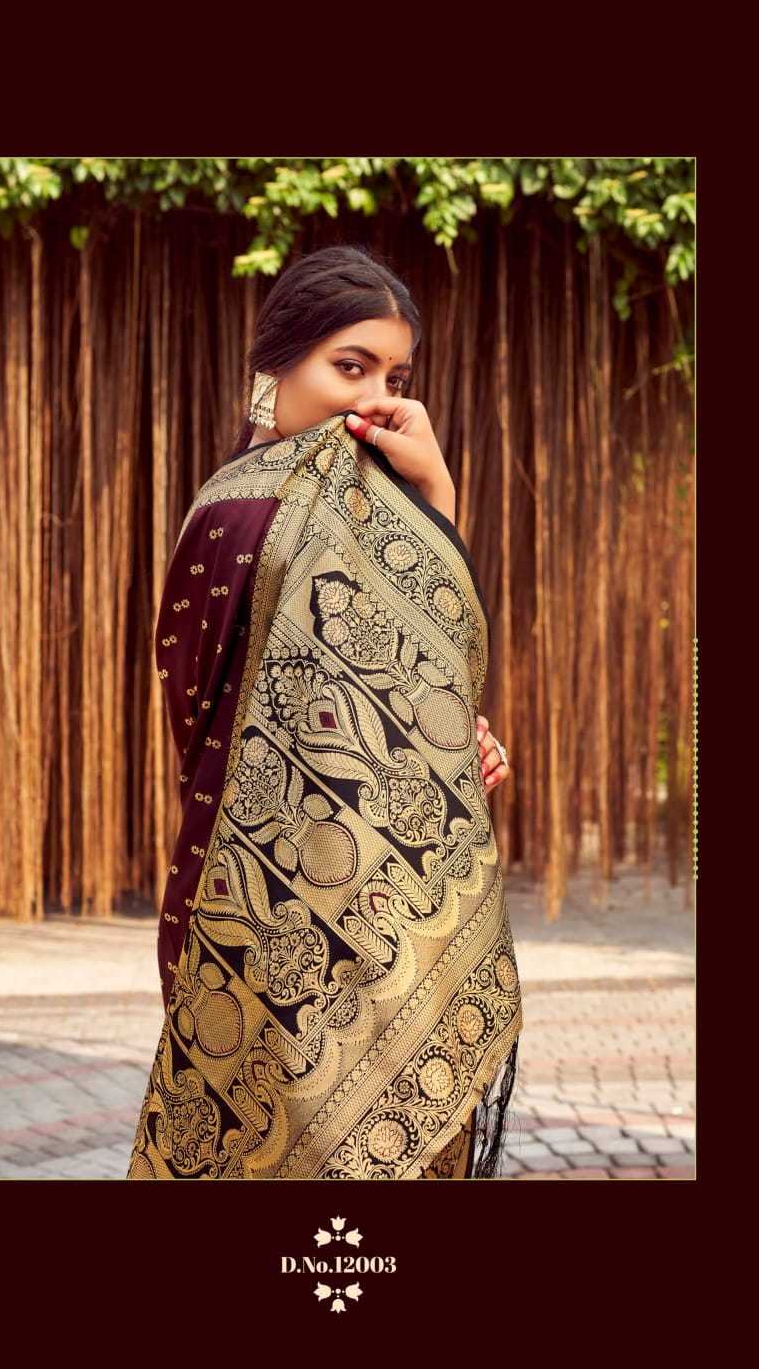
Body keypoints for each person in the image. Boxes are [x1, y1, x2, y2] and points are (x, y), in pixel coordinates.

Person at [127, 244, 522, 1180]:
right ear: (276, 365)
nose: (376, 400)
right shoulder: (243, 514)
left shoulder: (357, 505)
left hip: (379, 909)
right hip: (259, 913)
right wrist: (431, 500)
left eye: (396, 377)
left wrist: (450, 753)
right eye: (351, 367)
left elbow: (414, 697)